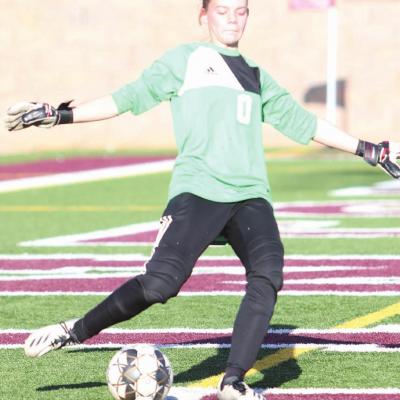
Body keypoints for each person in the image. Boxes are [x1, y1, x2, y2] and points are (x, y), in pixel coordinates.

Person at [4, 0, 400, 398]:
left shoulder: (256, 75)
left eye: (241, 10)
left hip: (249, 195)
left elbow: (305, 123)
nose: (232, 18)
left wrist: (371, 150)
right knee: (160, 285)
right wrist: (59, 114)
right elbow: (126, 98)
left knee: (268, 273)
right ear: (203, 15)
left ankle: (234, 382)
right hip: (198, 191)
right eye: (223, 10)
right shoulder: (185, 60)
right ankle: (74, 330)